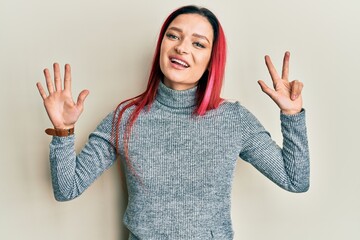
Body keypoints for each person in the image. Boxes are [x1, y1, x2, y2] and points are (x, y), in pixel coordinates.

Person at [36, 5, 309, 240]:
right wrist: (63, 131)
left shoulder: (233, 119)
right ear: (161, 45)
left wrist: (292, 115)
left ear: (212, 61)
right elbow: (67, 188)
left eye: (198, 43)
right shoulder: (125, 117)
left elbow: (296, 180)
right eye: (173, 36)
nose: (181, 47)